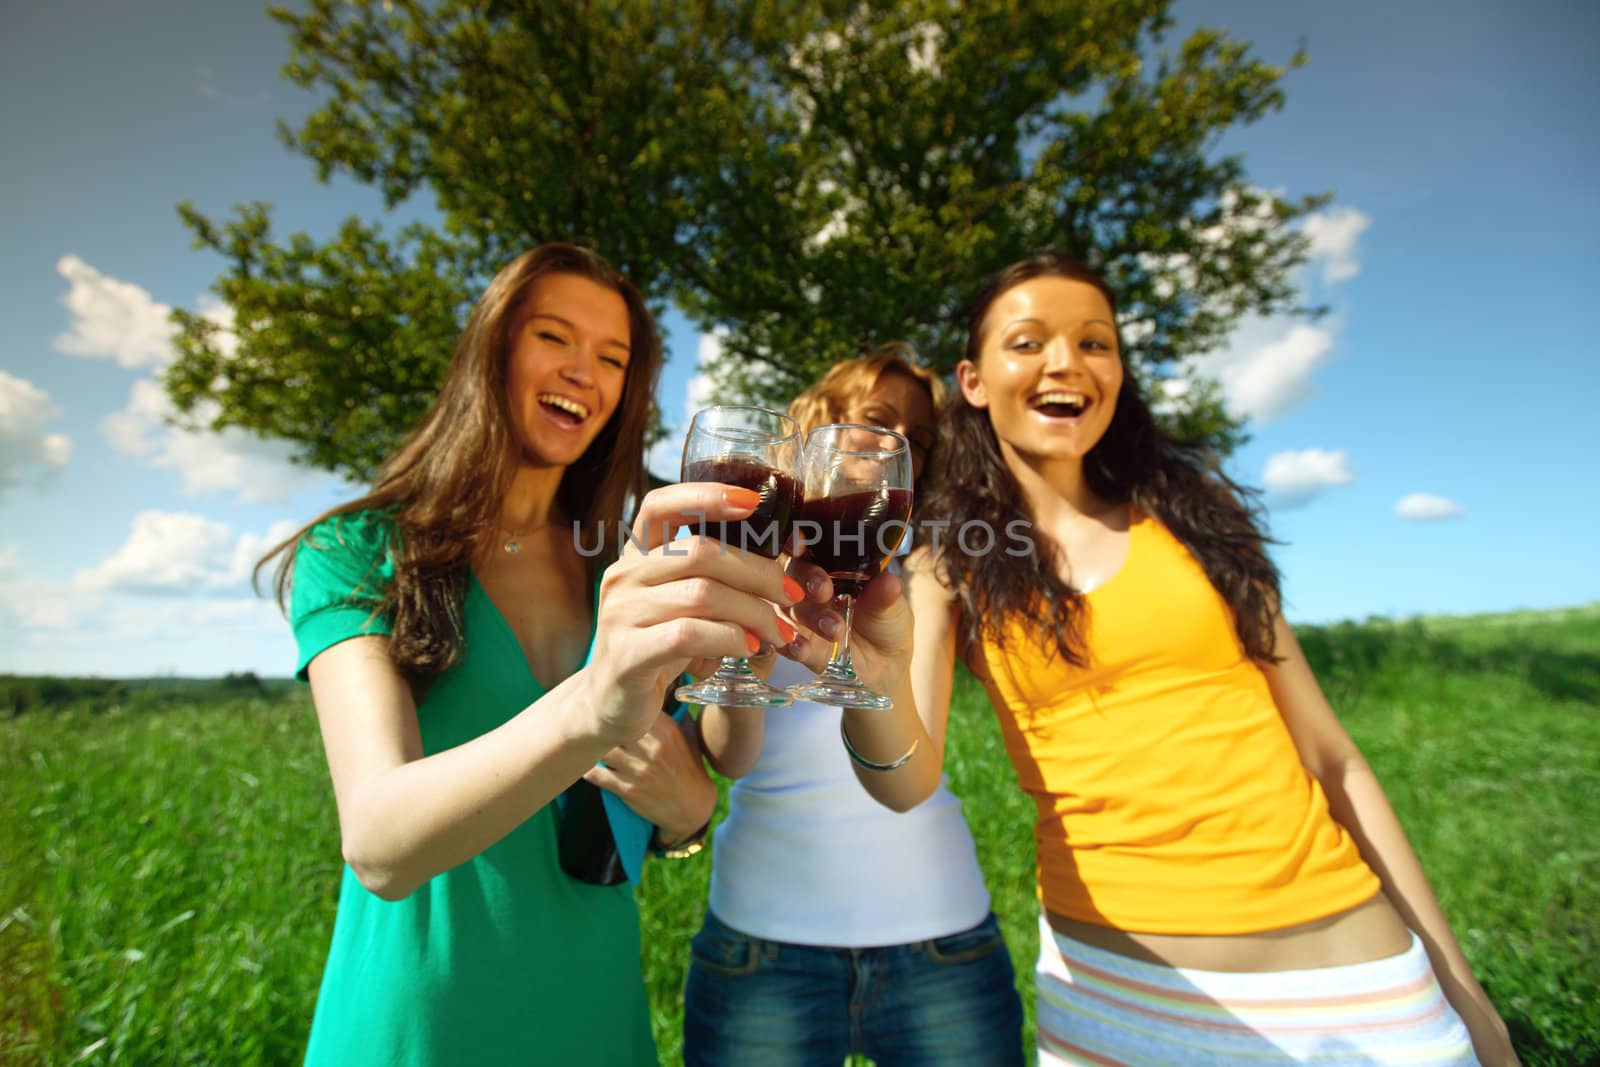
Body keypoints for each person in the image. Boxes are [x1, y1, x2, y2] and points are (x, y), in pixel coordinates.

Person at [786, 252, 1519, 1065]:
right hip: (1114, 1001)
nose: (1066, 361)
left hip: (1350, 980)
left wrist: (1464, 988)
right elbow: (908, 781)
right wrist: (871, 686)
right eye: (1028, 342)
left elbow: (1334, 759)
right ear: (975, 380)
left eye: (1094, 342)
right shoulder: (948, 562)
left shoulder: (1197, 519)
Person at [262, 244, 790, 1065]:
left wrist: (691, 815)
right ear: (493, 349)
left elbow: (703, 761)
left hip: (598, 1020)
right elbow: (378, 842)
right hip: (422, 1026)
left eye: (613, 358)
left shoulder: (624, 561)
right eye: (555, 337)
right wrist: (591, 707)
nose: (585, 371)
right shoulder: (359, 548)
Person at [683, 347, 1026, 1067]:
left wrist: (873, 673)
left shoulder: (921, 572)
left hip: (939, 943)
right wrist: (750, 648)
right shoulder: (749, 546)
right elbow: (732, 759)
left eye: (916, 439)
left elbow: (914, 775)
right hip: (761, 945)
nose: (892, 442)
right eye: (875, 419)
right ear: (818, 424)